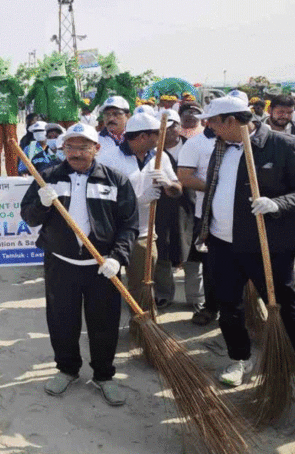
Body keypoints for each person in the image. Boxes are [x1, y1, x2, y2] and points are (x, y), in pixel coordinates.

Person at [197, 96, 295, 401]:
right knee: (229, 306)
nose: (209, 128)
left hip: (268, 246)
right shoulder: (221, 148)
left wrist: (277, 204)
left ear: (230, 120)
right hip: (222, 243)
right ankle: (239, 358)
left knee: (283, 307)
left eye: (213, 122)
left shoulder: (284, 146)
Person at [20, 122, 138, 405]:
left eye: (83, 146)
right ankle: (67, 369)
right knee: (62, 321)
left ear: (96, 148)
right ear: (62, 149)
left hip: (102, 266)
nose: (76, 153)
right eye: (70, 147)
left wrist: (118, 258)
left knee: (104, 322)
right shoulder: (46, 177)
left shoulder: (115, 180)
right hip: (61, 263)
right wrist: (42, 203)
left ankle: (104, 375)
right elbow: (29, 217)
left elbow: (129, 225)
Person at [97, 112, 182, 312]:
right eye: (158, 134)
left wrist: (168, 184)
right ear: (143, 136)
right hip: (112, 234)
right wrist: (137, 201)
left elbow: (177, 190)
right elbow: (100, 202)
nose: (163, 137)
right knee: (107, 286)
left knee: (142, 285)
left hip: (144, 234)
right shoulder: (109, 160)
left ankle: (142, 327)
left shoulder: (160, 157)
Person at [152, 110, 201, 310]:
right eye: (160, 128)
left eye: (170, 126)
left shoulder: (193, 147)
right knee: (162, 252)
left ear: (178, 127)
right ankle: (164, 294)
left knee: (193, 253)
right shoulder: (152, 153)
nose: (165, 131)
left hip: (191, 206)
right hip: (161, 208)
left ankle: (196, 297)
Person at [177, 120, 219, 325]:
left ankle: (241, 307)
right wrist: (217, 192)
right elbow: (184, 177)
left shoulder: (248, 142)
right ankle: (211, 306)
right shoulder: (195, 144)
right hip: (207, 213)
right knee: (211, 263)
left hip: (242, 214)